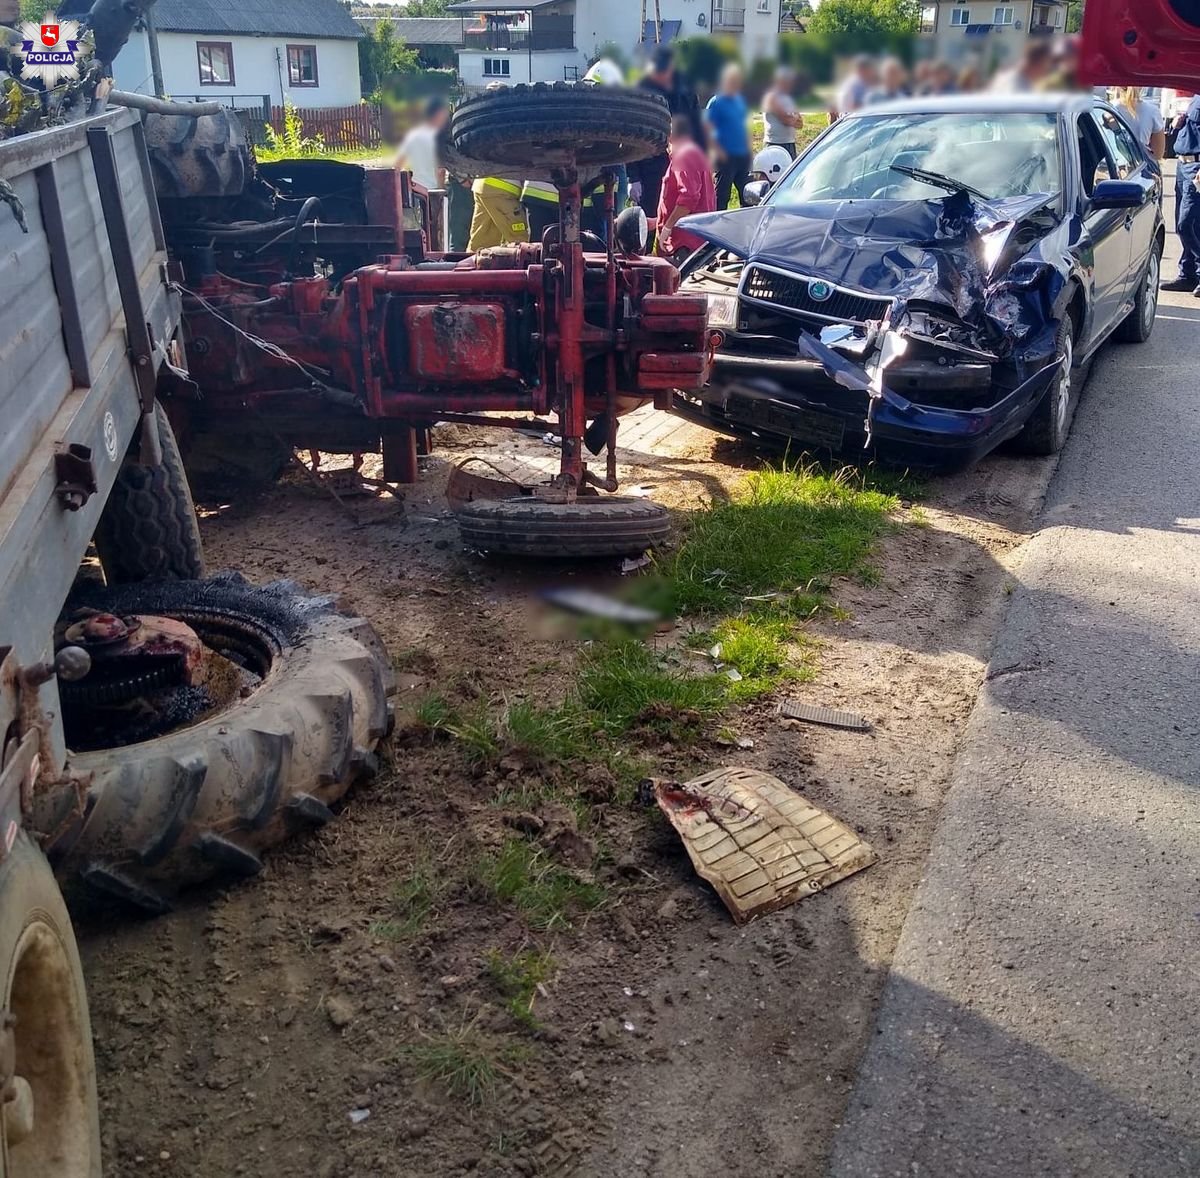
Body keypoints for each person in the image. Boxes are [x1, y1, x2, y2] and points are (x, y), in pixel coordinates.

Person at [627, 46, 705, 225]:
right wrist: (634, 177)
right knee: (647, 218)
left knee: (684, 210)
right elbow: (631, 134)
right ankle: (644, 250)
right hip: (650, 163)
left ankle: (676, 246)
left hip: (684, 161)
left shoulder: (686, 88)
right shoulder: (641, 90)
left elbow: (697, 124)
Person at [657, 114, 716, 264]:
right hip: (699, 239)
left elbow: (689, 197)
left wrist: (668, 227)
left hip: (685, 244)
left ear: (670, 136)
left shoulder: (683, 156)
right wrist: (655, 221)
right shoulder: (697, 154)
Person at [1162, 93, 1200, 295]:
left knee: (1187, 224)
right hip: (1182, 163)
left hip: (1196, 166)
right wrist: (1177, 125)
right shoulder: (1194, 95)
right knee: (1184, 223)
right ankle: (1188, 274)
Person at [706, 64, 751, 210]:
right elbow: (707, 129)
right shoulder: (716, 101)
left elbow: (744, 126)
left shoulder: (740, 101)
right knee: (721, 197)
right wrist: (717, 151)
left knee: (748, 194)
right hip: (724, 156)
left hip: (742, 156)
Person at [395, 96, 448, 193]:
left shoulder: (412, 136)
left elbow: (398, 165)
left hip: (416, 188)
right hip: (434, 189)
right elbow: (440, 171)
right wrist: (442, 190)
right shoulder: (438, 138)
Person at [763, 66, 803, 159]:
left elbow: (800, 124)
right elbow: (785, 119)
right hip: (774, 144)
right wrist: (794, 118)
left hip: (790, 143)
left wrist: (794, 119)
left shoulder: (789, 98)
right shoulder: (771, 96)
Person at [1116, 86, 1167, 160]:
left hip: (1111, 166)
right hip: (1140, 164)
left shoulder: (1106, 109)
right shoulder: (1152, 111)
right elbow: (1158, 154)